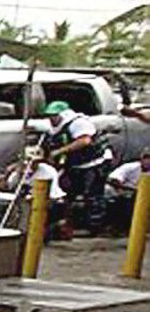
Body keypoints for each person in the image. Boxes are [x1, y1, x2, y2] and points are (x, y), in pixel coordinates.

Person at [44, 100, 111, 233]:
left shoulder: (78, 123)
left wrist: (60, 151)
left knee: (93, 195)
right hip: (75, 165)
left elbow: (84, 141)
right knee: (67, 193)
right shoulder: (56, 128)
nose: (52, 119)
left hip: (94, 163)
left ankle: (95, 226)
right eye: (50, 116)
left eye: (54, 116)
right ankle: (67, 224)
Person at [107, 148, 150, 230]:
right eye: (146, 158)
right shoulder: (130, 166)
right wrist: (129, 190)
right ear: (141, 158)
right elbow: (113, 180)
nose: (148, 161)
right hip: (122, 193)